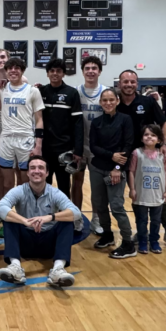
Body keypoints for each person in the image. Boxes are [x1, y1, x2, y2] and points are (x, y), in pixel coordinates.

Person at [117, 70, 166, 253]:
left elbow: (163, 122)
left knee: (162, 194)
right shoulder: (115, 102)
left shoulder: (147, 102)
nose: (129, 84)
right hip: (126, 156)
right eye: (125, 81)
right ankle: (141, 234)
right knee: (135, 194)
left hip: (149, 155)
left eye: (132, 81)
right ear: (119, 83)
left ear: (137, 84)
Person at [0, 155, 81, 287]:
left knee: (66, 220)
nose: (36, 171)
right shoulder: (19, 190)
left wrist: (50, 217)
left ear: (47, 173)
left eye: (41, 168)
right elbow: (0, 207)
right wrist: (24, 221)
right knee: (9, 219)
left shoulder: (54, 193)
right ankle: (15, 267)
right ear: (28, 173)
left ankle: (58, 269)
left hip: (49, 243)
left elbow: (76, 213)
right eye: (33, 168)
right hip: (25, 242)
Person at [90, 88, 135, 259]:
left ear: (117, 101)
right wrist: (111, 156)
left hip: (116, 170)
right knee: (99, 204)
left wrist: (117, 169)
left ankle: (128, 243)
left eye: (111, 100)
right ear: (100, 103)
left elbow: (128, 145)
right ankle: (107, 234)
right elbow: (93, 146)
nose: (108, 103)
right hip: (97, 168)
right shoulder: (96, 122)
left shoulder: (125, 120)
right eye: (104, 100)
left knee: (116, 206)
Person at [0, 57, 44, 193]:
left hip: (25, 138)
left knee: (25, 181)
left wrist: (38, 146)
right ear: (6, 71)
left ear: (22, 71)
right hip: (6, 139)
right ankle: (5, 213)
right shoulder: (1, 88)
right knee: (7, 182)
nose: (13, 71)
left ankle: (24, 213)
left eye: (17, 68)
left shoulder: (32, 91)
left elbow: (39, 120)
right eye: (10, 69)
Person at [38, 58, 83, 207]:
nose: (55, 74)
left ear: (63, 73)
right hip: (44, 149)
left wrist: (78, 149)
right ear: (47, 74)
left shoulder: (71, 93)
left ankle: (64, 218)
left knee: (64, 186)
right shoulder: (41, 91)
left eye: (58, 71)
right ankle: (45, 215)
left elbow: (78, 123)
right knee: (44, 185)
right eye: (52, 71)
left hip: (64, 149)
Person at [72, 56, 106, 235]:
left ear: (99, 71)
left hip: (98, 148)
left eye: (94, 68)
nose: (91, 71)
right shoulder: (75, 92)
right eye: (87, 68)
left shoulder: (106, 92)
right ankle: (77, 217)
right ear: (83, 71)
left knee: (97, 186)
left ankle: (96, 219)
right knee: (76, 182)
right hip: (78, 146)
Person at [128, 124, 166, 255]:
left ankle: (154, 242)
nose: (149, 137)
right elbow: (131, 172)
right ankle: (142, 242)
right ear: (141, 138)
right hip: (141, 194)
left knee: (156, 221)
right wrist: (132, 189)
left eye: (153, 135)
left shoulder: (162, 154)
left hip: (157, 195)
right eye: (146, 135)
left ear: (159, 139)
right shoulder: (137, 153)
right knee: (141, 221)